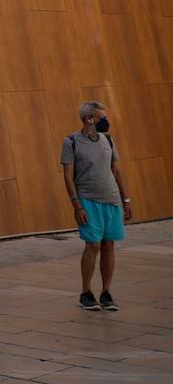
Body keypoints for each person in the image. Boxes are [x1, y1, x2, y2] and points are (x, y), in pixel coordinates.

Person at [61, 101, 133, 312]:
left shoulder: (108, 140)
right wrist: (77, 205)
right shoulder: (71, 141)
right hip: (87, 200)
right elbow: (67, 176)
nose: (106, 120)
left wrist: (126, 199)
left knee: (109, 245)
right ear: (89, 118)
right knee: (93, 245)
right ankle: (86, 292)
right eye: (102, 116)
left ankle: (106, 292)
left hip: (112, 200)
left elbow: (116, 170)